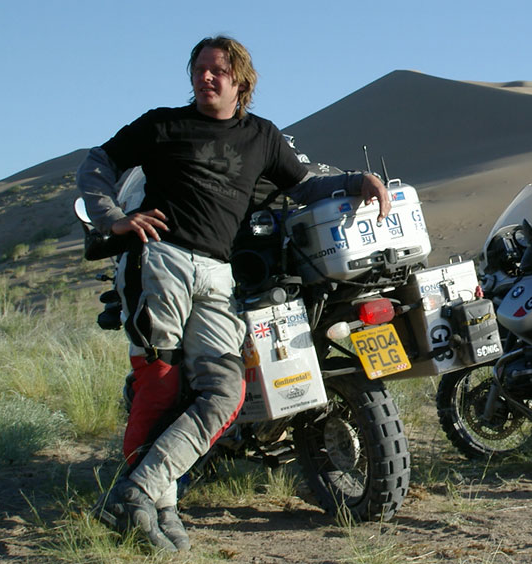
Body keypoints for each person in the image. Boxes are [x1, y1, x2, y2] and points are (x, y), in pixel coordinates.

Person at [78, 36, 390, 551]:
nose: (205, 78)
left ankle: (136, 492)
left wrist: (360, 181)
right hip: (162, 259)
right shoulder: (162, 124)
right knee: (161, 386)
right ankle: (159, 507)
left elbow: (305, 186)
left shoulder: (261, 137)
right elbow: (96, 163)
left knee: (225, 390)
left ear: (241, 81)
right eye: (198, 69)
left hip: (218, 274)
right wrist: (114, 218)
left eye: (216, 71)